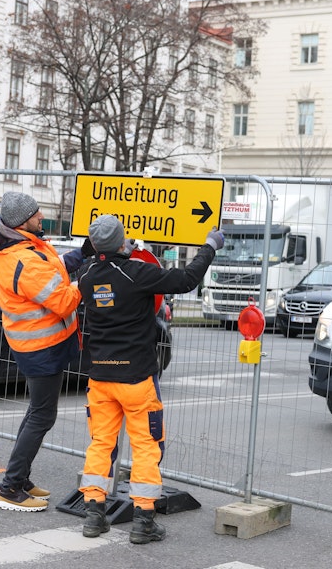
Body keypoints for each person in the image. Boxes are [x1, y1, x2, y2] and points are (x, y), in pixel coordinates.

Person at [77, 214, 224, 543]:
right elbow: (186, 279)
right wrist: (210, 246)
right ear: (120, 242)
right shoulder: (136, 273)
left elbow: (98, 268)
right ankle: (143, 520)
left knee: (101, 444)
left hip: (100, 377)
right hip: (136, 378)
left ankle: (93, 514)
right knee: (145, 445)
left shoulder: (86, 274)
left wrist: (117, 252)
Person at [0, 191, 86, 512]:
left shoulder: (22, 247)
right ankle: (10, 486)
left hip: (34, 345)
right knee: (42, 415)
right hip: (40, 348)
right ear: (22, 222)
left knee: (36, 412)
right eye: (36, 213)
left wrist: (83, 254)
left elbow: (53, 267)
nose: (41, 215)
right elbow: (64, 301)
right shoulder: (24, 259)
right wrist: (92, 276)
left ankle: (20, 479)